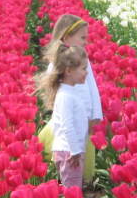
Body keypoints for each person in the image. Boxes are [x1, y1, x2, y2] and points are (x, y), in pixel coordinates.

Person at [38, 15, 102, 186]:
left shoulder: (83, 62)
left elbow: (93, 89)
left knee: (80, 163)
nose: (86, 41)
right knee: (71, 166)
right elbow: (61, 109)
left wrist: (95, 115)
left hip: (83, 121)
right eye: (82, 37)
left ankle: (76, 195)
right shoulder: (58, 66)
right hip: (68, 128)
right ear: (66, 37)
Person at [36, 43, 89, 198]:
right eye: (83, 68)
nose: (86, 73)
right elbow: (67, 125)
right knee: (71, 187)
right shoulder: (66, 96)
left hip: (69, 149)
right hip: (69, 151)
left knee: (73, 185)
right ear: (68, 71)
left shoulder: (69, 92)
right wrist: (75, 151)